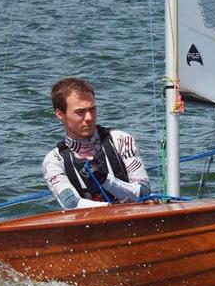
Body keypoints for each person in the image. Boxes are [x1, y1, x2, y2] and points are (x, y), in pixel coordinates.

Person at [42, 77, 150, 210]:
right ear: (60, 114)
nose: (89, 118)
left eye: (92, 109)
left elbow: (144, 193)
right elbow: (71, 203)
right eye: (80, 112)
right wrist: (112, 207)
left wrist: (104, 180)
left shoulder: (121, 141)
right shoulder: (54, 161)